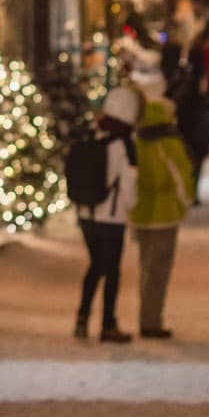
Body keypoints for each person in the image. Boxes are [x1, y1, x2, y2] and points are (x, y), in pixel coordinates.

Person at [75, 86, 140, 343]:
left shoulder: (92, 134)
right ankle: (107, 324)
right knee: (111, 270)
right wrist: (130, 210)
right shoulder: (123, 144)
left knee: (95, 266)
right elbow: (129, 184)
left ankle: (82, 318)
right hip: (112, 217)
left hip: (86, 214)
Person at [130, 80, 194, 339]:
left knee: (146, 268)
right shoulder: (170, 143)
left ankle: (147, 317)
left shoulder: (137, 141)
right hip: (165, 215)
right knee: (159, 270)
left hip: (140, 214)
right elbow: (182, 177)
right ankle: (151, 322)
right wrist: (185, 203)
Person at [174, 61, 209, 207]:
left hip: (186, 138)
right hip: (198, 140)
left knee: (187, 167)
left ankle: (188, 192)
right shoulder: (203, 102)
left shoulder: (181, 100)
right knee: (196, 168)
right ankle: (193, 192)